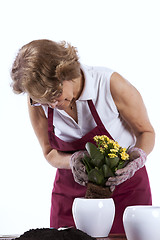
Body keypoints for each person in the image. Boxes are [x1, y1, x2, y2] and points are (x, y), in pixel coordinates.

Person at [11, 39, 155, 234]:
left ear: (66, 73)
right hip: (72, 195)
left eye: (56, 95)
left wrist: (137, 158)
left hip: (125, 188)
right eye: (44, 101)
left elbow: (145, 131)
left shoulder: (109, 84)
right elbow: (49, 152)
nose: (52, 105)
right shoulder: (38, 100)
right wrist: (73, 160)